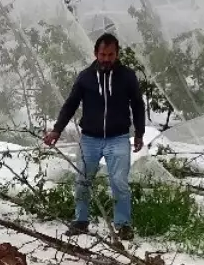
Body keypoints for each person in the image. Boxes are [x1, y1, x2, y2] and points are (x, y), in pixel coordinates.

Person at [43, 33, 145, 240]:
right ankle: (81, 221)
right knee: (82, 180)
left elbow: (137, 105)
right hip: (89, 139)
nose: (106, 59)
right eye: (102, 54)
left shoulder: (127, 76)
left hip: (118, 138)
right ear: (95, 53)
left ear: (117, 54)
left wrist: (140, 133)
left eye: (110, 55)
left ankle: (123, 225)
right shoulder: (85, 77)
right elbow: (70, 104)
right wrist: (57, 130)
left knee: (119, 181)